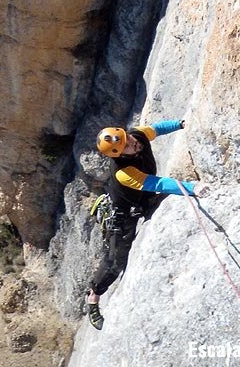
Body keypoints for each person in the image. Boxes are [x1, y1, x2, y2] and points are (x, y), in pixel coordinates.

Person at [86, 119, 196, 330]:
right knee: (115, 261)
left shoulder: (137, 135)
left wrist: (181, 124)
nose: (132, 144)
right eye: (126, 146)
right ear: (119, 155)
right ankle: (94, 295)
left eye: (128, 140)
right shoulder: (123, 172)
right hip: (122, 214)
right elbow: (158, 184)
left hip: (142, 200)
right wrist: (191, 188)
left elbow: (157, 129)